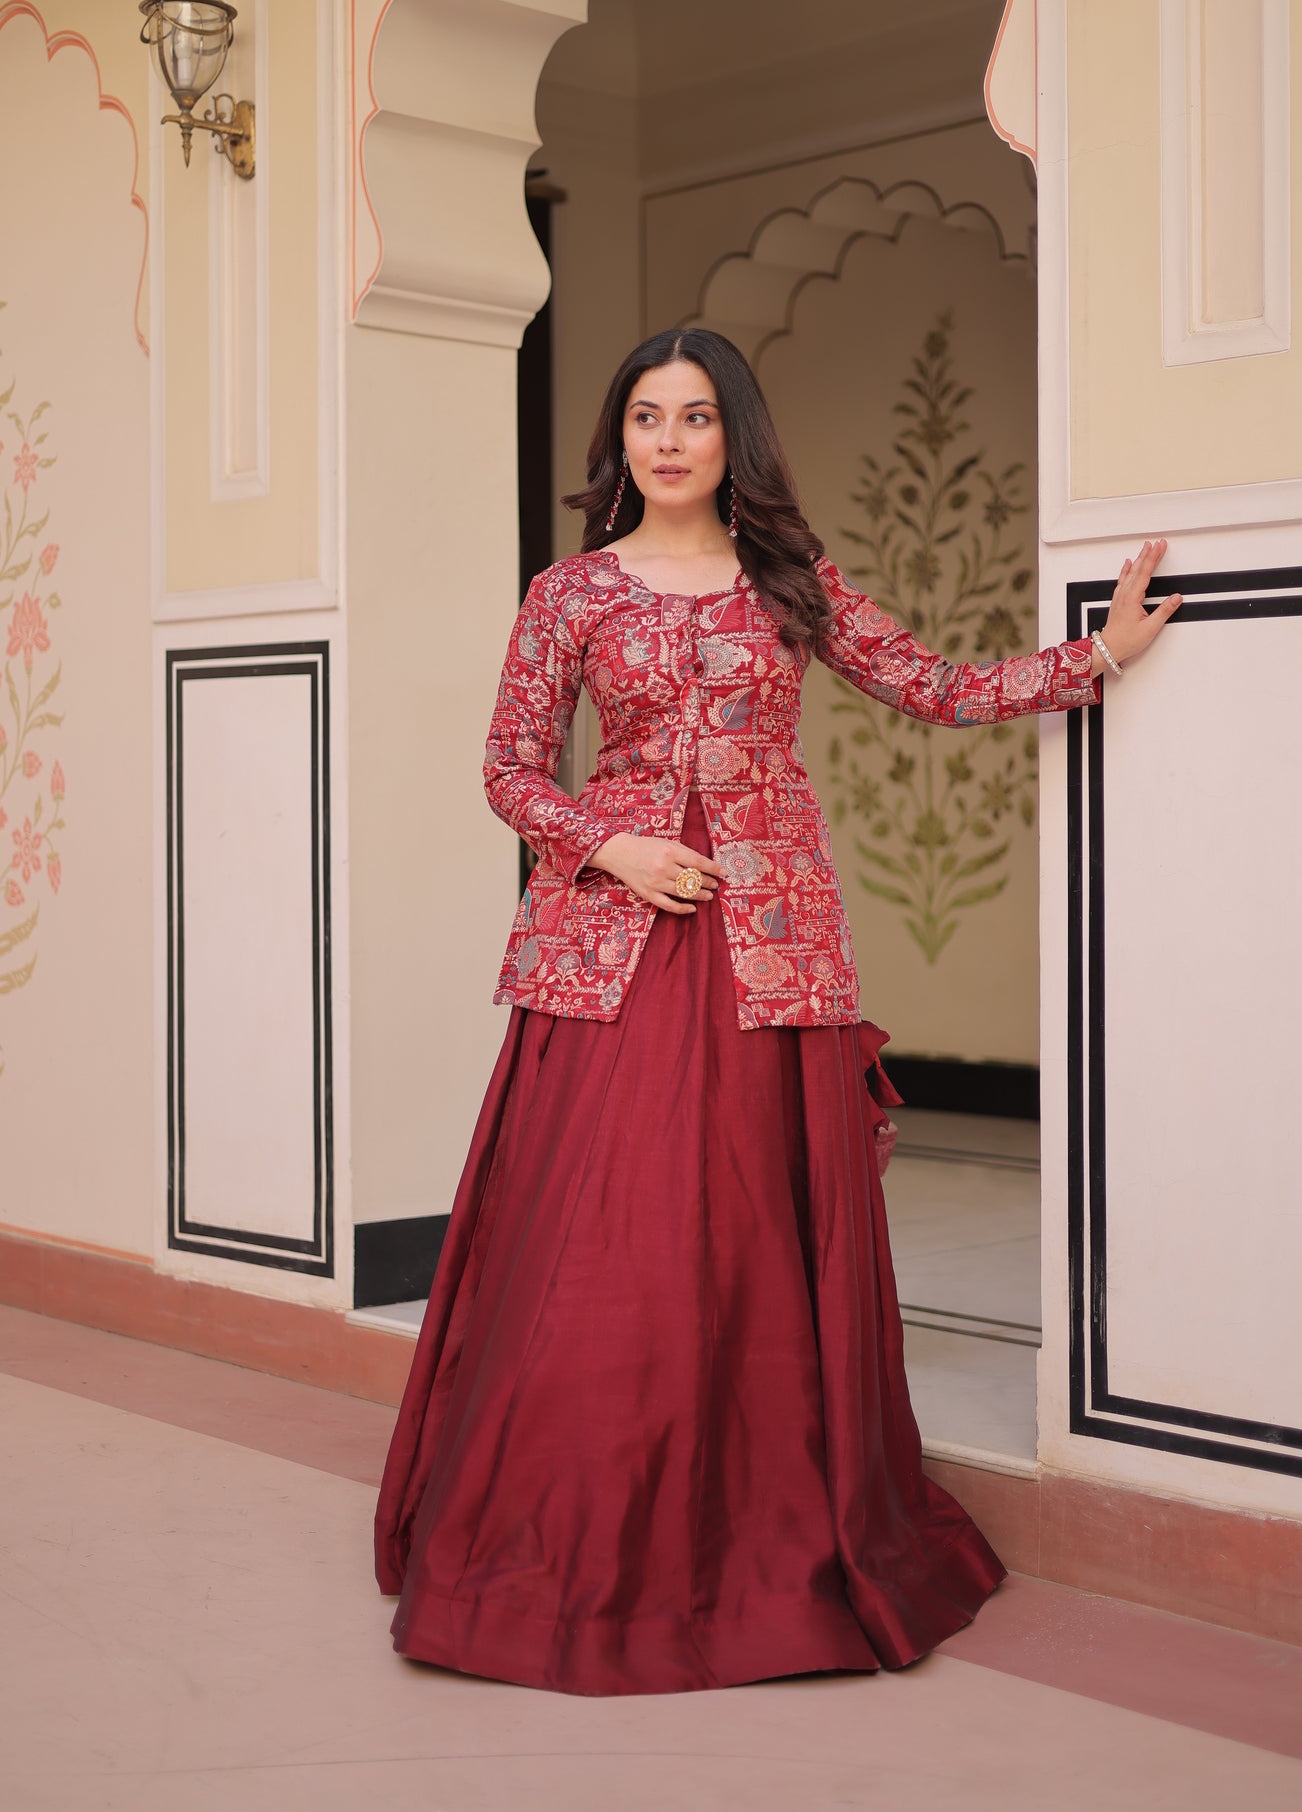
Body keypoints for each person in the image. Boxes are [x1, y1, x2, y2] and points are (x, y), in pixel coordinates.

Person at [374, 327, 1180, 1696]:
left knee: (747, 1232)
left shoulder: (791, 585)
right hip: (612, 947)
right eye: (646, 416)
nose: (668, 440)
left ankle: (756, 1536)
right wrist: (611, 845)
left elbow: (933, 687)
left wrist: (1096, 654)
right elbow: (510, 768)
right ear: (619, 439)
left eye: (694, 416)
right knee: (604, 1233)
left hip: (771, 948)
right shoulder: (570, 593)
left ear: (731, 436)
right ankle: (571, 1535)